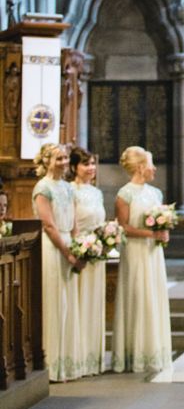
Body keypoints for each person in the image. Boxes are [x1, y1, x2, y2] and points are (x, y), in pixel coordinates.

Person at [112, 146, 172, 374]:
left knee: (153, 296)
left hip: (153, 253)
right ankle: (135, 354)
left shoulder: (155, 193)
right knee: (137, 296)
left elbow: (159, 222)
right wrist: (151, 234)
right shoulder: (124, 194)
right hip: (135, 252)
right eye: (150, 164)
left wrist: (163, 231)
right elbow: (123, 227)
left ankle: (154, 351)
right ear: (139, 167)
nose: (154, 168)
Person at [32, 143, 86, 381]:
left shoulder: (67, 187)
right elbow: (49, 225)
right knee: (55, 303)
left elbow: (73, 223)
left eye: (65, 158)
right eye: (58, 158)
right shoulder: (43, 187)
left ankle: (69, 363)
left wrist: (79, 249)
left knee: (69, 304)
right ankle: (52, 365)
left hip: (68, 245)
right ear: (46, 161)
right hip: (53, 248)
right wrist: (67, 253)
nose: (64, 162)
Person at [71, 146, 107, 375]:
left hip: (97, 252)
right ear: (75, 167)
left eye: (93, 164)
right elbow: (72, 223)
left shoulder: (96, 192)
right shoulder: (71, 191)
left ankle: (94, 358)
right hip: (80, 252)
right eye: (86, 164)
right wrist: (79, 249)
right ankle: (79, 356)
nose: (91, 168)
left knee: (94, 303)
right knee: (79, 303)